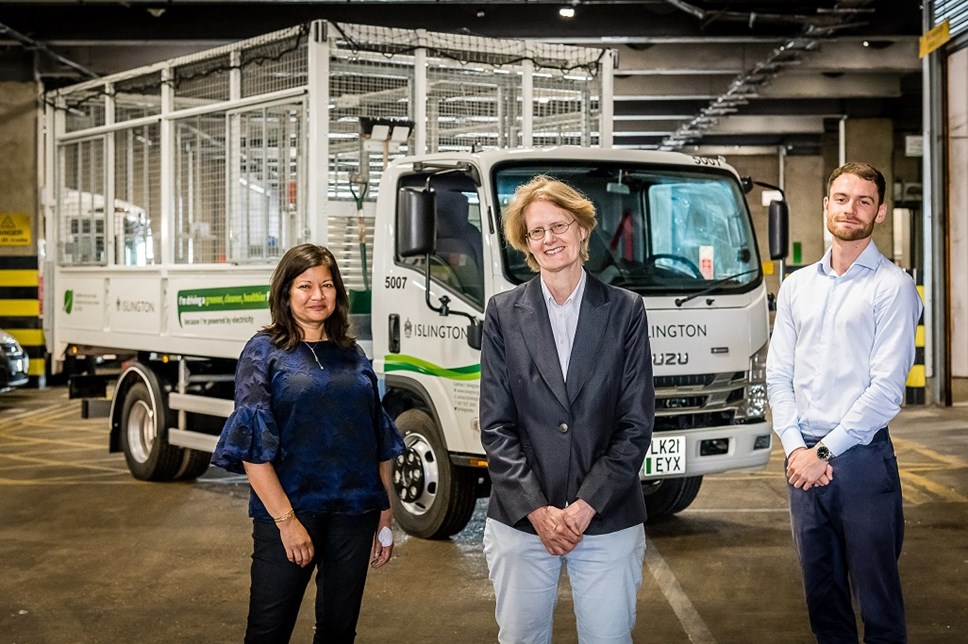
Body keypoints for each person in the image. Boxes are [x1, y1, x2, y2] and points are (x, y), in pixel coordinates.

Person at [479, 175, 655, 644]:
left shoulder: (625, 311)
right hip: (522, 522)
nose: (549, 239)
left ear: (581, 231)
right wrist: (537, 509)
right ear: (526, 245)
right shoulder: (502, 313)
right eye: (536, 232)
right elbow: (496, 426)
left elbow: (635, 424)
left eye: (559, 226)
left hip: (606, 517)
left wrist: (584, 507)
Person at [212, 243, 404, 644]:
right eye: (305, 286)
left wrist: (384, 512)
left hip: (355, 512)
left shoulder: (351, 353)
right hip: (292, 511)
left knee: (338, 630)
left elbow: (376, 436)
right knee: (268, 630)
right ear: (285, 293)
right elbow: (252, 445)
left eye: (327, 285)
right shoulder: (263, 351)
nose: (318, 296)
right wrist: (287, 523)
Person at [766, 162, 922, 643]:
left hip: (860, 462)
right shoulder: (797, 286)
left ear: (879, 214)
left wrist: (822, 453)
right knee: (823, 598)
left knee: (877, 603)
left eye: (863, 201)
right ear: (825, 204)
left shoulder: (891, 286)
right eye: (841, 198)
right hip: (803, 462)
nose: (849, 209)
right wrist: (795, 449)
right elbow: (778, 374)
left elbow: (886, 390)